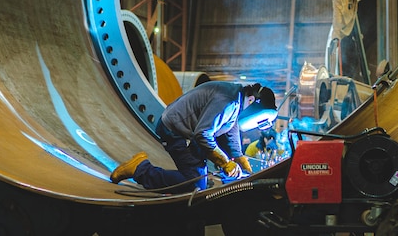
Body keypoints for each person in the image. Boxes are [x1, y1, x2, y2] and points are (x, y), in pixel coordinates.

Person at [109, 81, 276, 191]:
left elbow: (231, 127)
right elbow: (203, 134)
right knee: (193, 184)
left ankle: (200, 180)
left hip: (187, 132)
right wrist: (225, 162)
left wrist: (239, 157)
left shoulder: (237, 98)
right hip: (174, 131)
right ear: (253, 100)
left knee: (200, 181)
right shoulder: (228, 102)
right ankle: (140, 169)